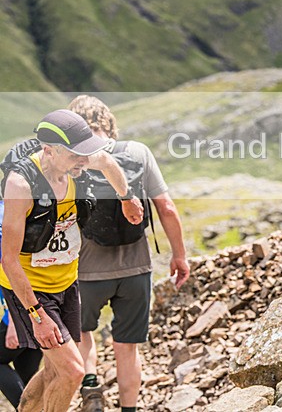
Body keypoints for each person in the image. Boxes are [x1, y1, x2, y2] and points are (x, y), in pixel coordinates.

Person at [0, 109, 143, 412]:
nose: (84, 160)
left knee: (55, 369)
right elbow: (8, 259)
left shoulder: (79, 161)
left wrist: (127, 197)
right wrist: (36, 316)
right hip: (30, 289)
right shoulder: (21, 186)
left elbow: (105, 161)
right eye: (77, 154)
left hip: (66, 283)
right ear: (49, 151)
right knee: (73, 371)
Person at [68, 95, 190, 412]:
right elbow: (167, 207)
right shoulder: (138, 152)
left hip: (85, 270)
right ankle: (129, 409)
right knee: (128, 348)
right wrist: (179, 255)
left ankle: (91, 386)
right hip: (136, 269)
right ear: (109, 122)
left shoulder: (73, 157)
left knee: (81, 333)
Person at [0, 200, 43, 409]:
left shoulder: (5, 219)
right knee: (28, 375)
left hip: (24, 309)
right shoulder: (13, 208)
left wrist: (13, 321)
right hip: (42, 307)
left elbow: (14, 268)